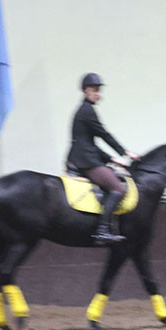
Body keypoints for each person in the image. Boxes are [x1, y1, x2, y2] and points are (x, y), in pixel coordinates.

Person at [66, 73, 141, 245]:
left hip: (85, 156)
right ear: (85, 91)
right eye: (94, 90)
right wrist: (125, 152)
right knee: (118, 189)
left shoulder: (84, 110)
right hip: (85, 161)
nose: (97, 94)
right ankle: (102, 231)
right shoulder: (87, 111)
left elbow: (90, 143)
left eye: (98, 90)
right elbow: (103, 134)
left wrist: (113, 159)